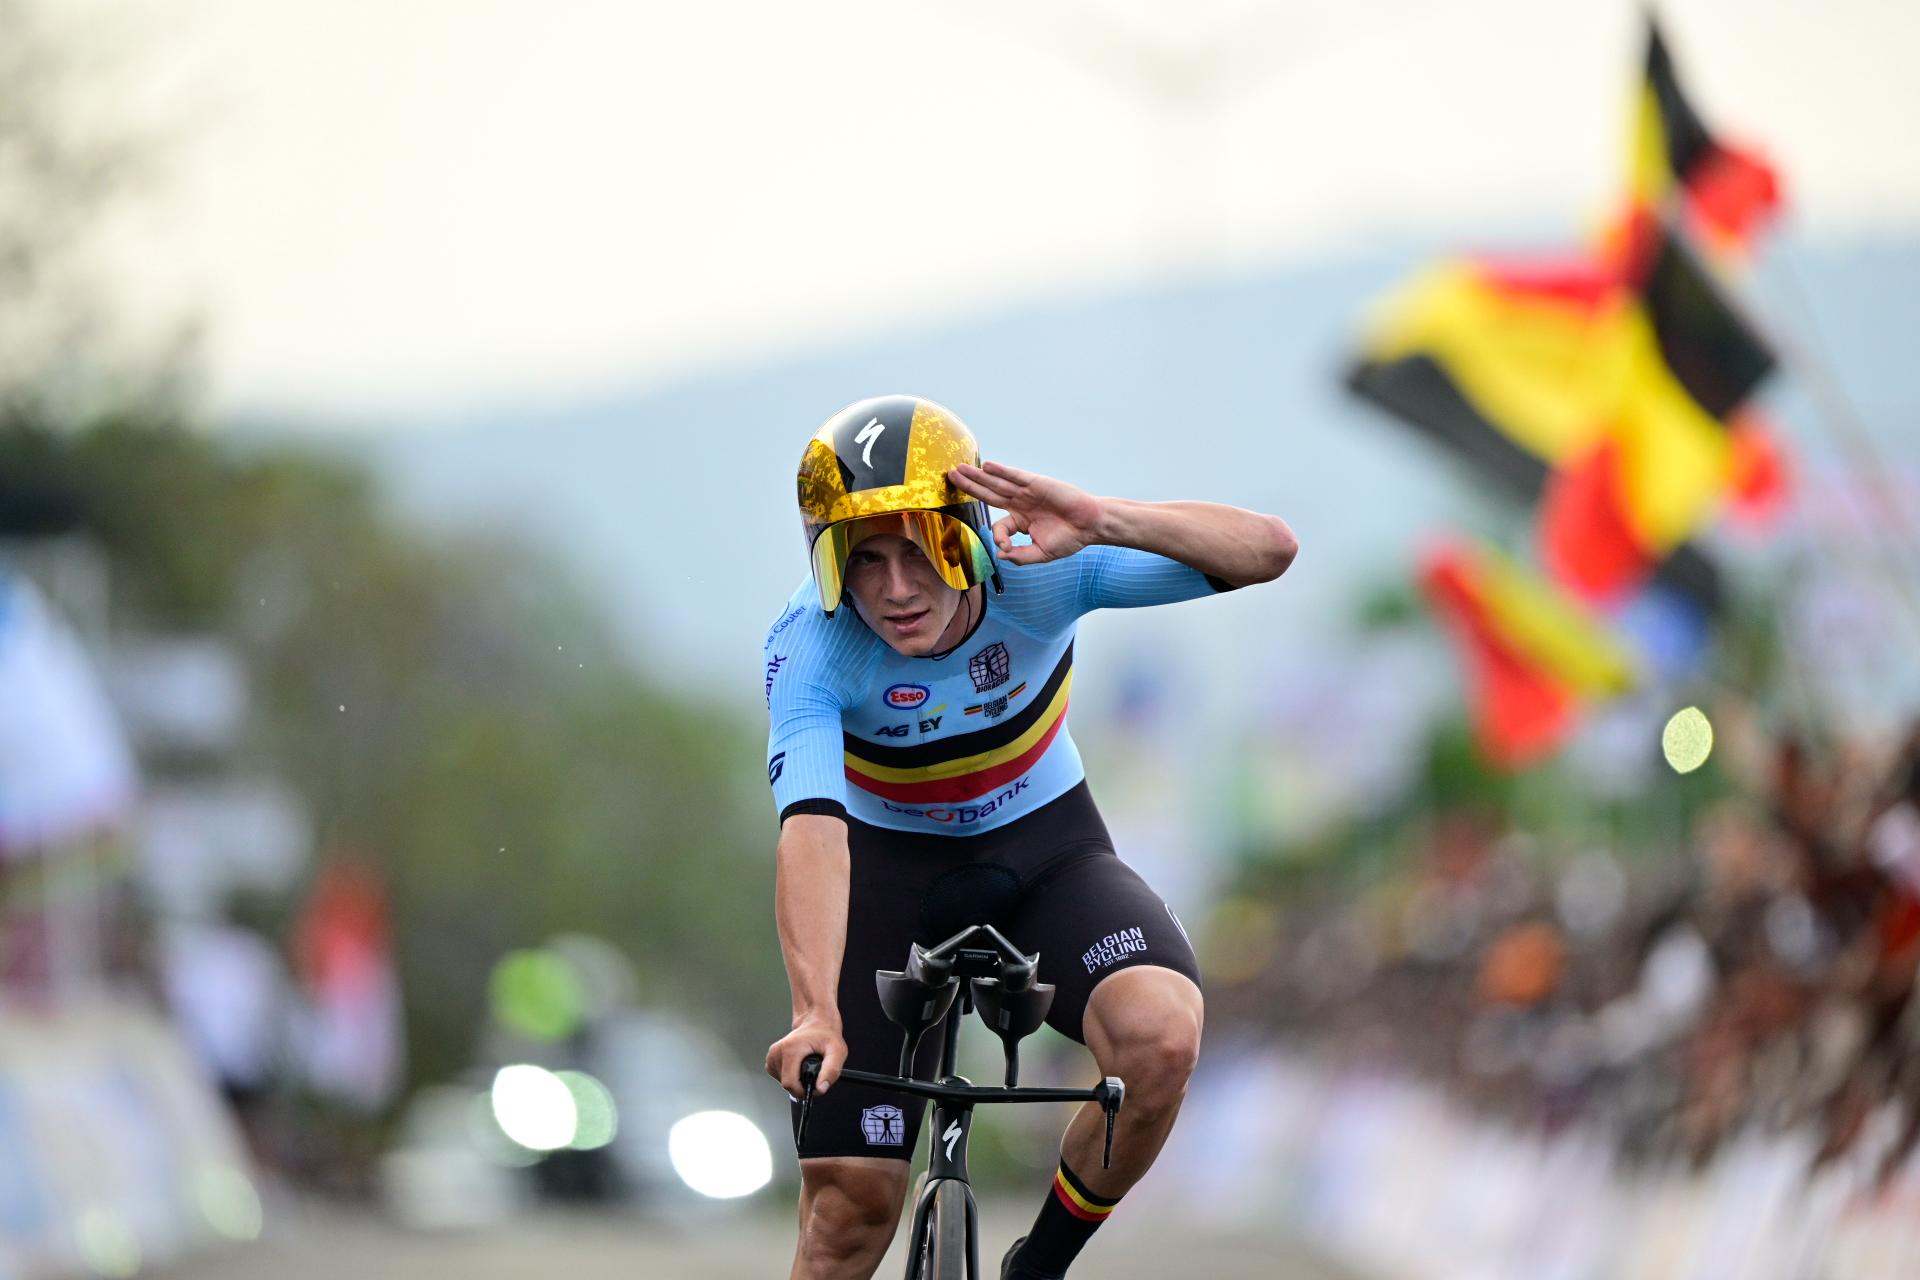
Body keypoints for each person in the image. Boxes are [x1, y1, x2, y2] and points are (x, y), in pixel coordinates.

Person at [763, 395, 1297, 1280]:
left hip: (1046, 848)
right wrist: (816, 1009)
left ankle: (1039, 1266)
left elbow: (1269, 551)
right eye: (865, 562)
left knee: (1162, 1038)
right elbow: (814, 831)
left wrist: (1100, 521)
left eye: (918, 549)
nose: (896, 590)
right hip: (888, 870)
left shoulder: (1040, 566)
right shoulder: (813, 650)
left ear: (965, 530)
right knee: (848, 1210)